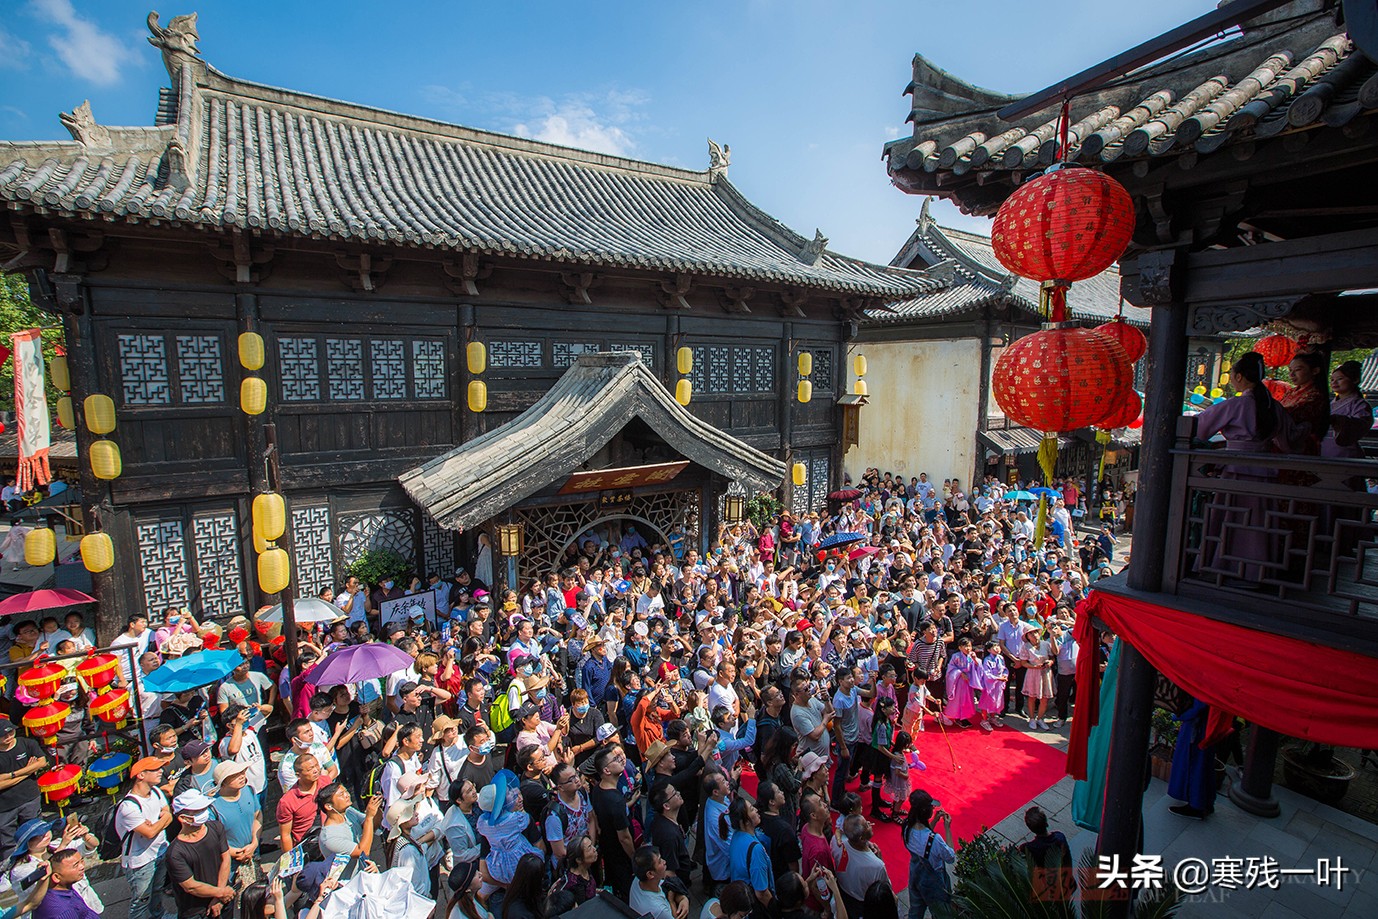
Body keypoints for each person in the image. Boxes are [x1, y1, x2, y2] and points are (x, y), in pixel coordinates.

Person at [116, 757, 175, 919]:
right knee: (141, 901)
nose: (161, 771)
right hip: (140, 862)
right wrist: (162, 820)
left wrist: (157, 823)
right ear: (141, 775)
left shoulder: (156, 791)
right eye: (155, 769)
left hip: (159, 852)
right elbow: (149, 833)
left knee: (157, 889)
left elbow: (168, 815)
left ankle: (158, 915)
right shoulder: (128, 806)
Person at [165, 789, 234, 919]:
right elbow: (191, 886)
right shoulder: (175, 853)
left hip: (223, 901)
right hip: (196, 912)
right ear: (183, 818)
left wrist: (218, 898)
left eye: (204, 808)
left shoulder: (216, 827)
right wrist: (221, 893)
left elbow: (225, 859)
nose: (204, 812)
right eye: (198, 811)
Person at [0, 717, 48, 862]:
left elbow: (42, 762)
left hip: (29, 797)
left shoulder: (27, 743)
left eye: (11, 732)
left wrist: (10, 776)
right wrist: (28, 771)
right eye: (3, 735)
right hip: (5, 806)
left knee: (36, 833)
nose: (9, 737)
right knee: (7, 841)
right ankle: (11, 866)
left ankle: (40, 861)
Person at [901, 790, 954, 919]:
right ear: (926, 811)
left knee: (916, 909)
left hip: (915, 874)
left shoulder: (907, 826)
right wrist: (947, 827)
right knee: (941, 912)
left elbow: (922, 837)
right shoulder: (935, 840)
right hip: (933, 882)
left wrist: (934, 820)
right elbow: (950, 857)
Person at [210, 760, 262, 889]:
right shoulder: (212, 808)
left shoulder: (249, 790)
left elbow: (257, 816)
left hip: (253, 854)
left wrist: (254, 843)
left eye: (242, 772)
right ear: (223, 782)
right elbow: (212, 840)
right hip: (230, 864)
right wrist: (235, 853)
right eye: (235, 775)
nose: (242, 776)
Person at [1016, 806, 1075, 903]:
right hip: (1067, 882)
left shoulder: (1028, 848)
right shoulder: (1060, 837)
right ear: (1046, 823)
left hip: (1047, 887)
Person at [630, 845, 690, 919]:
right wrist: (672, 901)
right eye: (659, 861)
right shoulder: (659, 910)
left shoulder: (638, 880)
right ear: (650, 874)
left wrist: (683, 898)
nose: (664, 861)